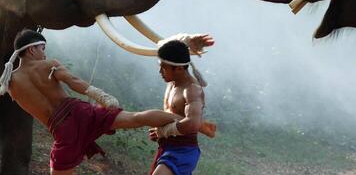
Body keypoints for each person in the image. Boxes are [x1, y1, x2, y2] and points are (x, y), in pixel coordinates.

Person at [0, 29, 184, 175]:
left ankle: (188, 123)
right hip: (80, 113)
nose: (44, 54)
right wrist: (102, 97)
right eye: (42, 49)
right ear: (32, 49)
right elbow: (74, 81)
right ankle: (189, 122)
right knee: (136, 118)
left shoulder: (9, 82)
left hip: (62, 131)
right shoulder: (48, 65)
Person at [149, 35, 215, 175]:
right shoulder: (172, 81)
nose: (160, 72)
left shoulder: (192, 90)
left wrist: (163, 131)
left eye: (164, 68)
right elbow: (162, 44)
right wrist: (186, 40)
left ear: (178, 69)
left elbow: (192, 123)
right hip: (167, 147)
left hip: (183, 151)